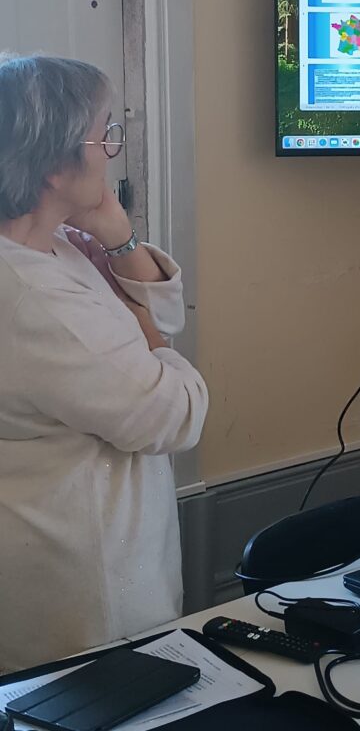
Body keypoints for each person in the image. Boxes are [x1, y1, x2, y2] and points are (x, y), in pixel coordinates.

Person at [0, 54, 209, 672]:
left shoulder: (52, 245)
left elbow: (164, 316)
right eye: (105, 134)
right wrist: (144, 328)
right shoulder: (37, 301)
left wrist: (118, 236)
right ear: (56, 162)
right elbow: (177, 416)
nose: (113, 151)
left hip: (74, 548)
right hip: (88, 591)